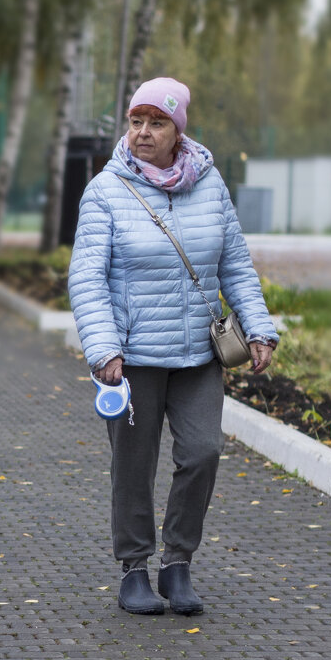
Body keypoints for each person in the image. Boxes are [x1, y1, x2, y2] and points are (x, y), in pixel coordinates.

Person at [68, 77, 279, 616]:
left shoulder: (210, 186)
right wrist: (103, 348)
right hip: (133, 358)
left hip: (198, 357)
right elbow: (87, 278)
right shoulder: (107, 190)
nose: (142, 132)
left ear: (178, 129)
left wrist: (257, 327)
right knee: (133, 467)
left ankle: (178, 562)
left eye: (156, 122)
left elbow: (234, 264)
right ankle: (135, 569)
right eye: (135, 121)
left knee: (203, 455)